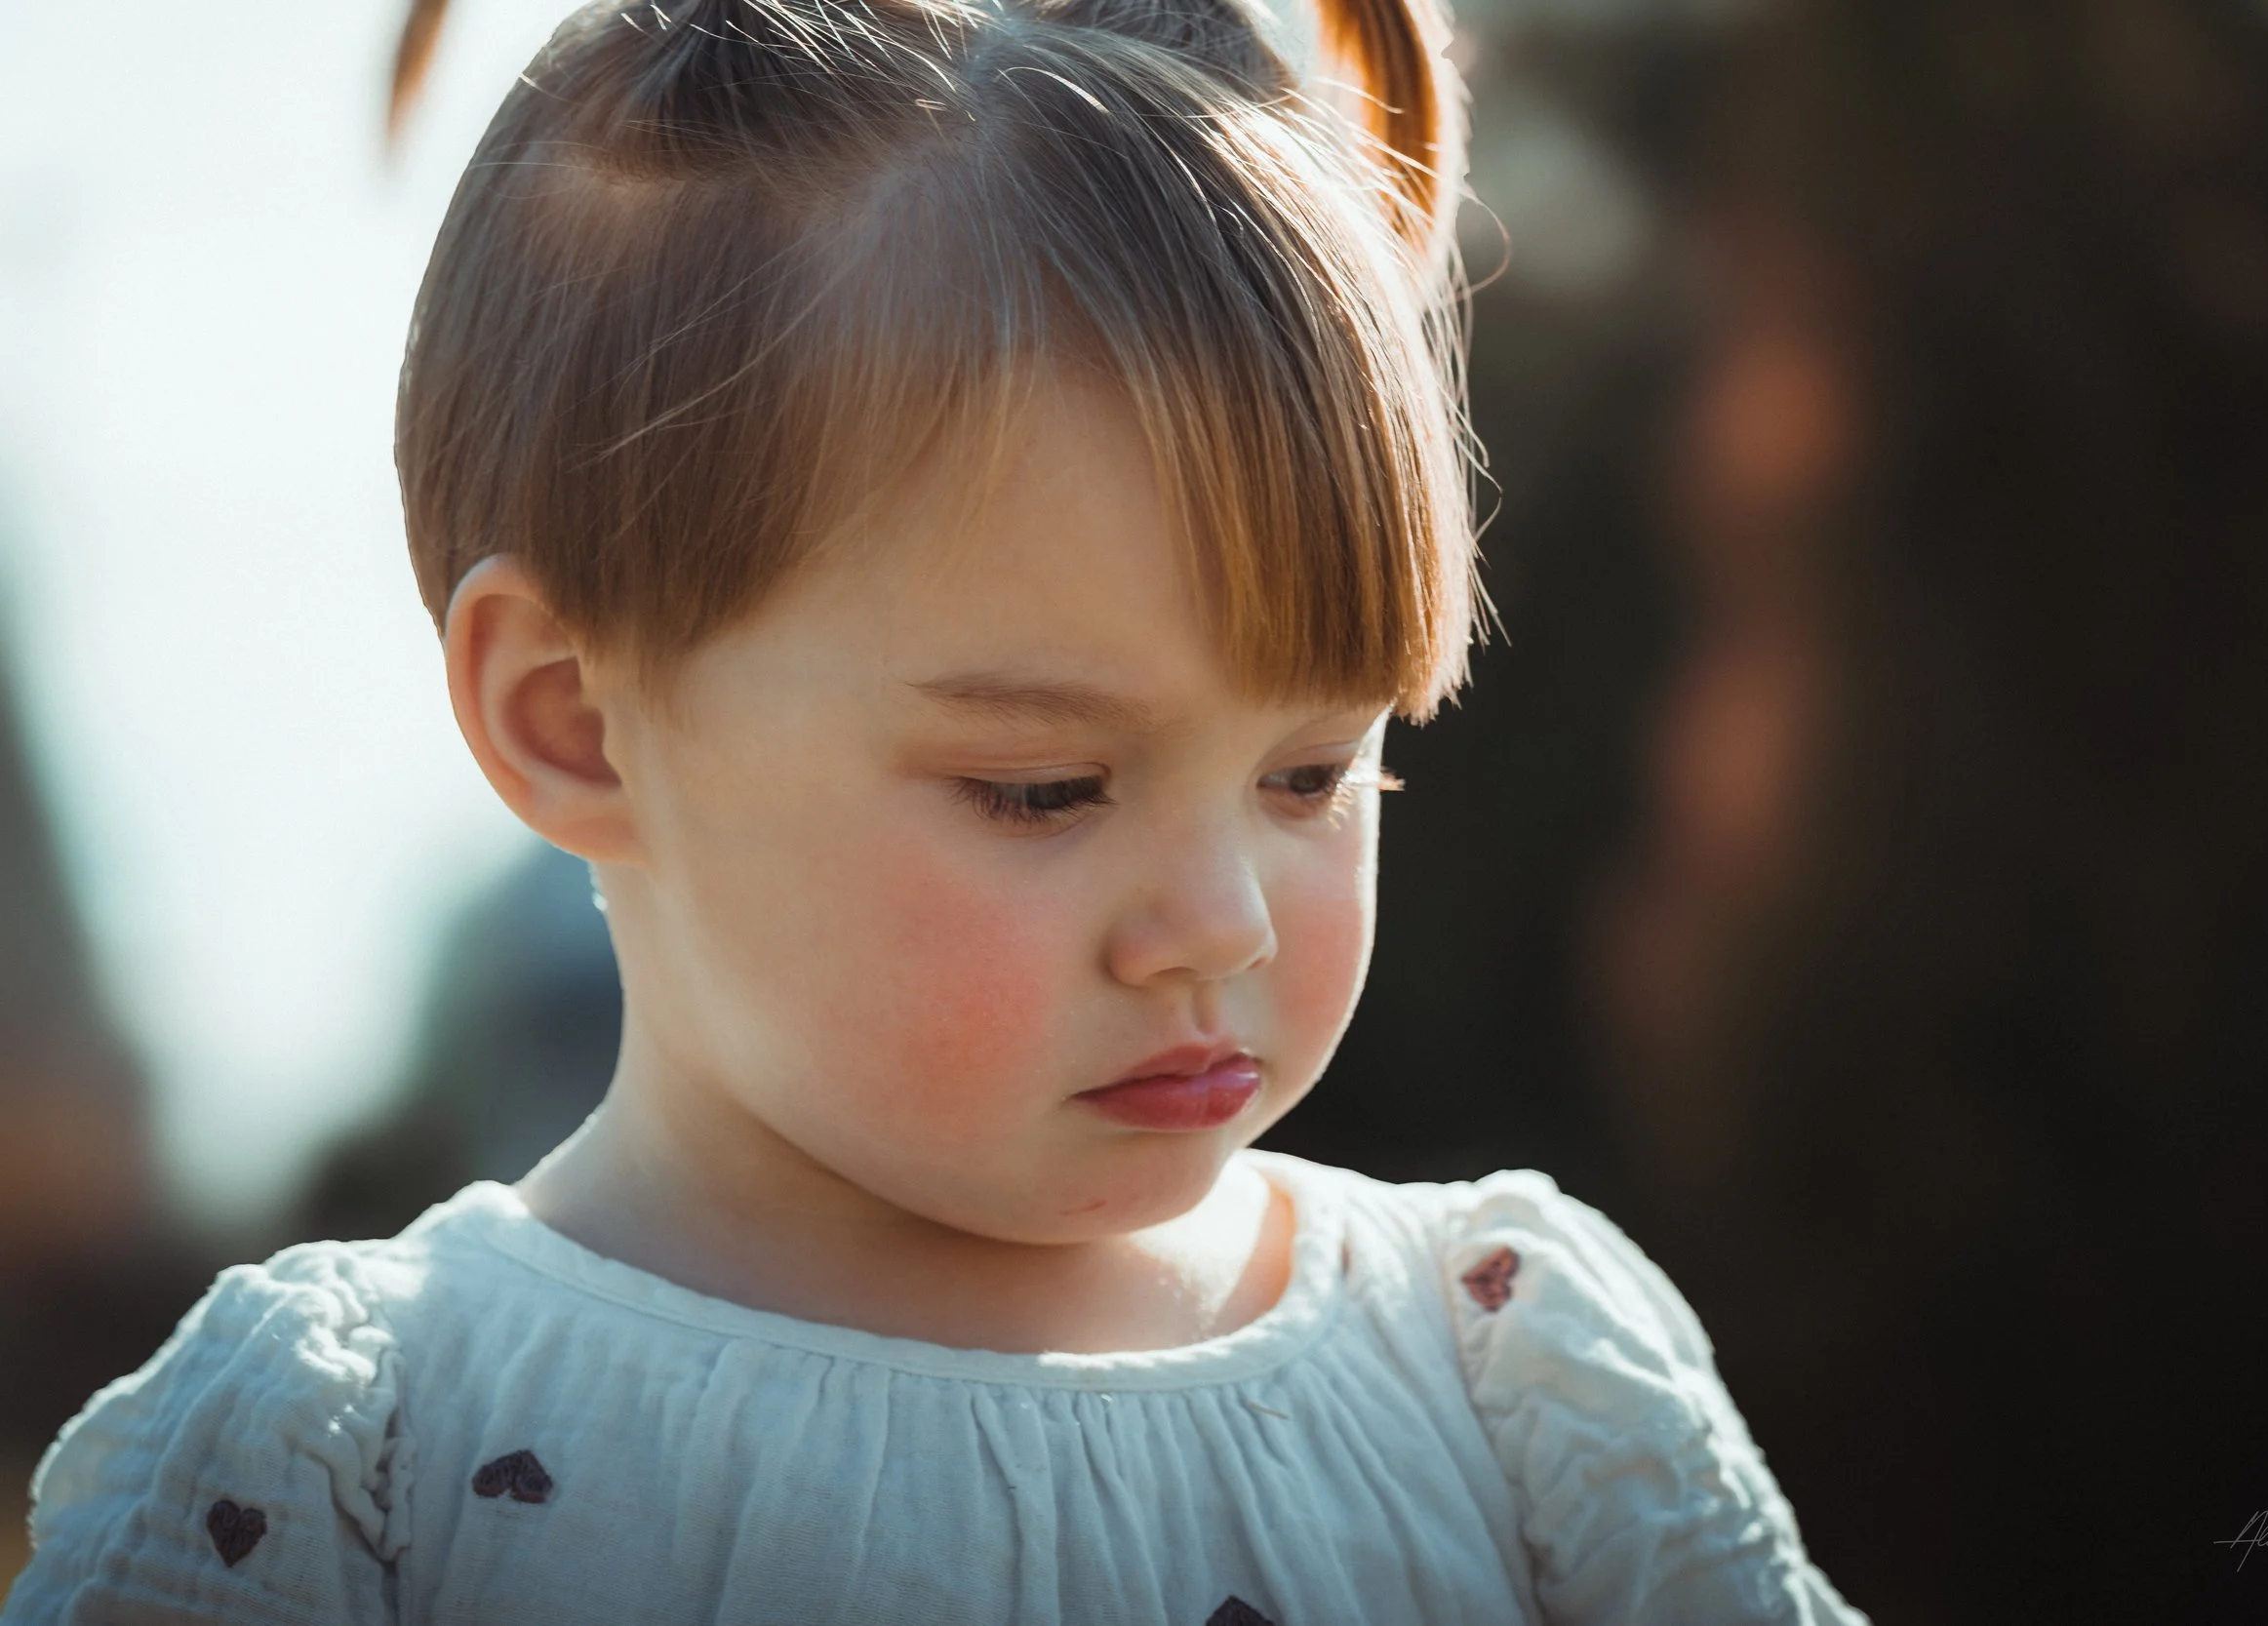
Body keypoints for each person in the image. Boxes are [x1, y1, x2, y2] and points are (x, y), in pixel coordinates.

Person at [2, 1, 1865, 1620]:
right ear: (575, 721)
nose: (1221, 916)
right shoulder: (352, 1465)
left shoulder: (1508, 1379)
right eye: (1042, 786)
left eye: (1313, 767)